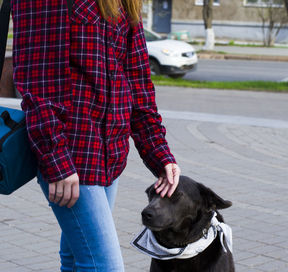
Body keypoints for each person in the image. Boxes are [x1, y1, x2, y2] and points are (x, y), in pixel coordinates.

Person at [11, 0, 180, 271]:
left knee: (78, 259)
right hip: (71, 154)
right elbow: (38, 85)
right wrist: (57, 162)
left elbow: (138, 82)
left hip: (110, 154)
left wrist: (159, 153)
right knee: (104, 265)